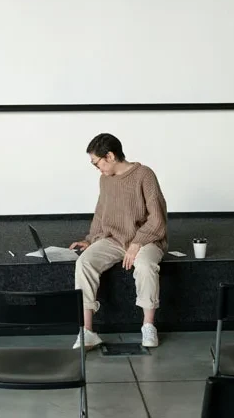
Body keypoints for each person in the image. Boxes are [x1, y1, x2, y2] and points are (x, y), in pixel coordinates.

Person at [70, 133, 168, 350]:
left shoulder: (144, 175)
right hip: (114, 239)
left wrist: (137, 243)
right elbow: (100, 213)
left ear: (110, 156)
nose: (96, 167)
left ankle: (148, 326)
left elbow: (158, 218)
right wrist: (91, 240)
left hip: (147, 240)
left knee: (145, 265)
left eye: (96, 162)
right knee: (84, 262)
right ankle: (87, 331)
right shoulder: (105, 179)